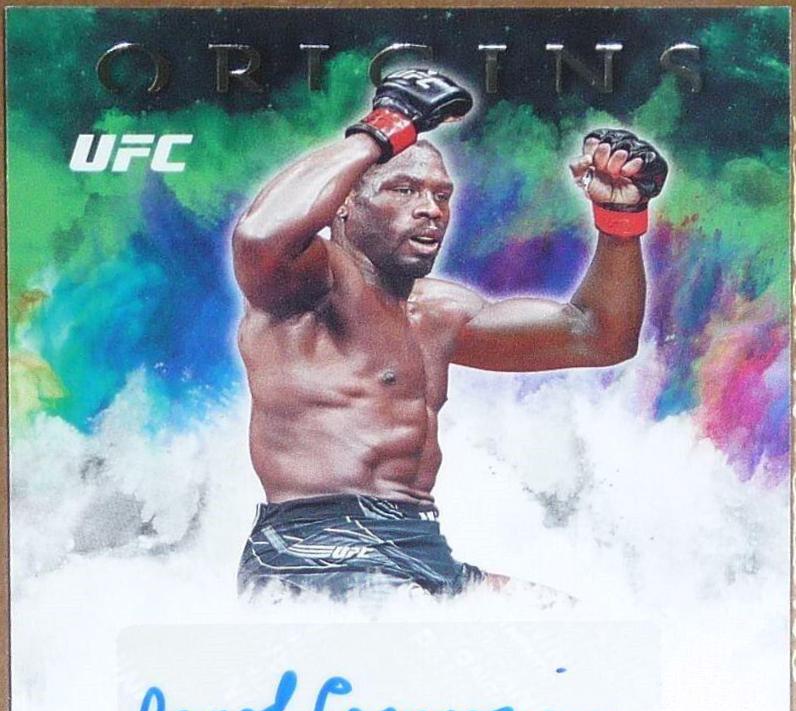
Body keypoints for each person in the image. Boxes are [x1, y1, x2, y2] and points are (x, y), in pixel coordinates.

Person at [232, 68, 668, 599]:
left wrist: (621, 218)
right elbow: (259, 236)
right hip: (316, 551)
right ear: (342, 203)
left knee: (569, 622)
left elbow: (599, 336)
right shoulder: (306, 288)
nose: (430, 209)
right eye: (404, 189)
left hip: (418, 548)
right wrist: (382, 130)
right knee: (410, 624)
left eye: (442, 195)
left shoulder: (437, 313)